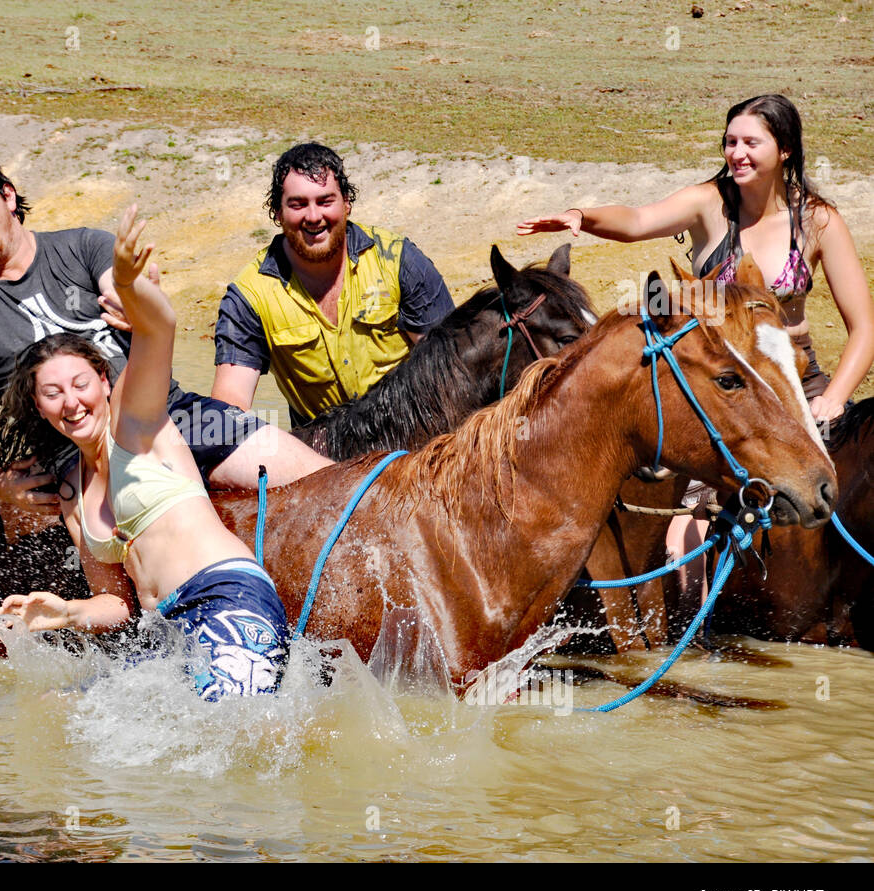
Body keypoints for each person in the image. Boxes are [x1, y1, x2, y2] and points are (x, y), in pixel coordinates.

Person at [0, 150, 327, 644]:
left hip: (163, 414)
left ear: (7, 196)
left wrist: (138, 298)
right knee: (117, 599)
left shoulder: (83, 248)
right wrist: (2, 484)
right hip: (78, 454)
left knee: (318, 478)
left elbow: (134, 297)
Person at [516, 93, 874, 611]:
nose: (738, 153)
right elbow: (638, 220)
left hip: (793, 384)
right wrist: (581, 216)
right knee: (682, 510)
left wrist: (835, 397)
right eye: (731, 142)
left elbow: (863, 329)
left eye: (752, 142)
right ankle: (691, 623)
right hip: (715, 383)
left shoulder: (817, 222)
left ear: (787, 150)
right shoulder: (711, 203)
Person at [0, 207, 291, 700]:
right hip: (164, 631)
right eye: (52, 393)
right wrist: (67, 612)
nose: (71, 402)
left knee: (225, 733)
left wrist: (131, 285)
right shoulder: (73, 492)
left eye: (80, 383)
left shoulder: (134, 423)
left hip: (224, 597)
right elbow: (117, 603)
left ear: (104, 381)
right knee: (64, 710)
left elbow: (160, 328)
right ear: (38, 408)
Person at [212, 142, 458, 428]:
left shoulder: (398, 261)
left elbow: (449, 372)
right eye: (298, 204)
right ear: (277, 213)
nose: (314, 217)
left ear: (346, 204)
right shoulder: (250, 295)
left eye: (325, 201)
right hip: (320, 454)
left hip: (411, 436)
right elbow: (230, 406)